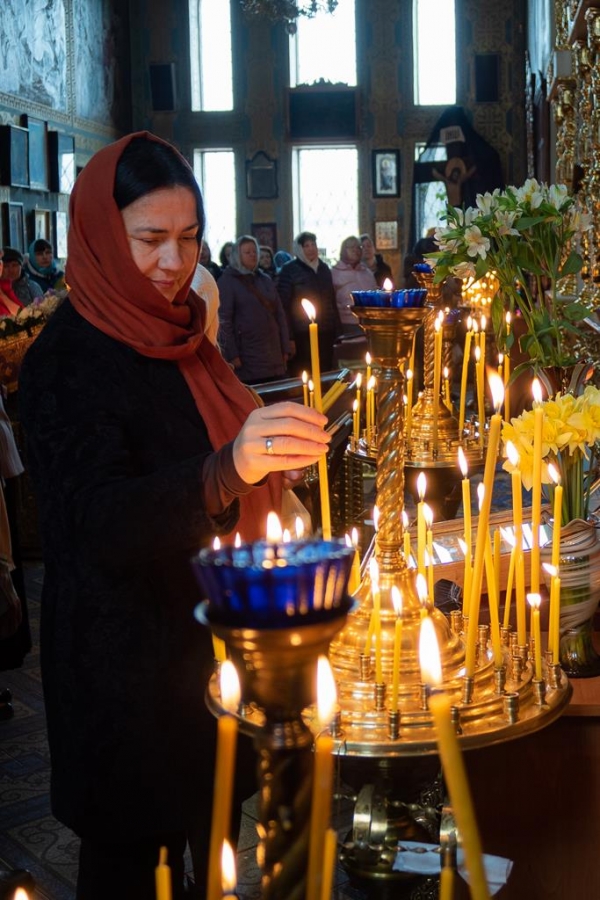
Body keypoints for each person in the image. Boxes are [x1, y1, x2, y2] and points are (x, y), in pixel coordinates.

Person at [18, 132, 331, 900]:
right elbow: (92, 524)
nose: (173, 262)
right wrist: (227, 470)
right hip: (120, 672)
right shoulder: (67, 357)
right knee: (132, 870)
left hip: (206, 652)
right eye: (150, 239)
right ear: (97, 234)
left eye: (188, 239)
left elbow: (215, 453)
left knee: (214, 857)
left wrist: (267, 458)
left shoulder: (185, 333)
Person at [218, 235, 290, 385]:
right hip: (247, 356)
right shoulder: (227, 282)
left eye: (254, 251)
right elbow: (224, 321)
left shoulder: (265, 280)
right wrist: (232, 355)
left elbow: (280, 315)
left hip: (273, 354)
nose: (253, 255)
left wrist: (285, 346)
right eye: (247, 252)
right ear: (238, 255)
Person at [277, 231, 340, 376]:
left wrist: (337, 328)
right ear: (299, 249)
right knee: (304, 370)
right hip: (301, 332)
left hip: (326, 329)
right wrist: (289, 336)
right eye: (306, 245)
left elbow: (331, 299)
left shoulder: (324, 268)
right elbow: (284, 305)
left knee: (324, 370)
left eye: (313, 244)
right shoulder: (290, 269)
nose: (311, 248)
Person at [331, 235, 377, 335]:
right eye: (351, 247)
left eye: (358, 247)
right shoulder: (334, 273)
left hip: (369, 321)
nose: (355, 250)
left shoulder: (367, 273)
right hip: (346, 324)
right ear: (343, 250)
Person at [0, 252, 24, 316]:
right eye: (6, 266)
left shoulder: (7, 287)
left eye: (14, 265)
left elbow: (22, 315)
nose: (10, 270)